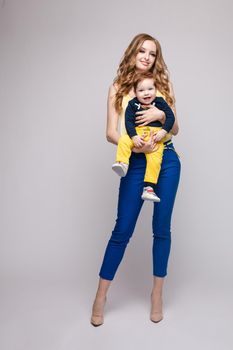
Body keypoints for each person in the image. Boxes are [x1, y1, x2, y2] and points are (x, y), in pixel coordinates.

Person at [90, 33, 181, 326]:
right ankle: (101, 296)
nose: (146, 57)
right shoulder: (118, 87)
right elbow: (110, 132)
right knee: (123, 229)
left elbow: (176, 128)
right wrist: (135, 144)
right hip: (137, 161)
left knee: (162, 229)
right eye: (142, 51)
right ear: (132, 53)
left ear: (156, 59)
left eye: (152, 53)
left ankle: (157, 295)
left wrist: (158, 112)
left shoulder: (162, 86)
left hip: (166, 160)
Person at [112, 71, 175, 202]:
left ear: (156, 90)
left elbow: (171, 118)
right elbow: (128, 122)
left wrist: (163, 131)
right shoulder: (132, 104)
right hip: (137, 136)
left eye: (150, 89)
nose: (146, 93)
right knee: (124, 140)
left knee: (155, 160)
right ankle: (122, 163)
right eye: (141, 90)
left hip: (155, 138)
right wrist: (134, 137)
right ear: (135, 92)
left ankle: (149, 188)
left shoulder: (160, 102)